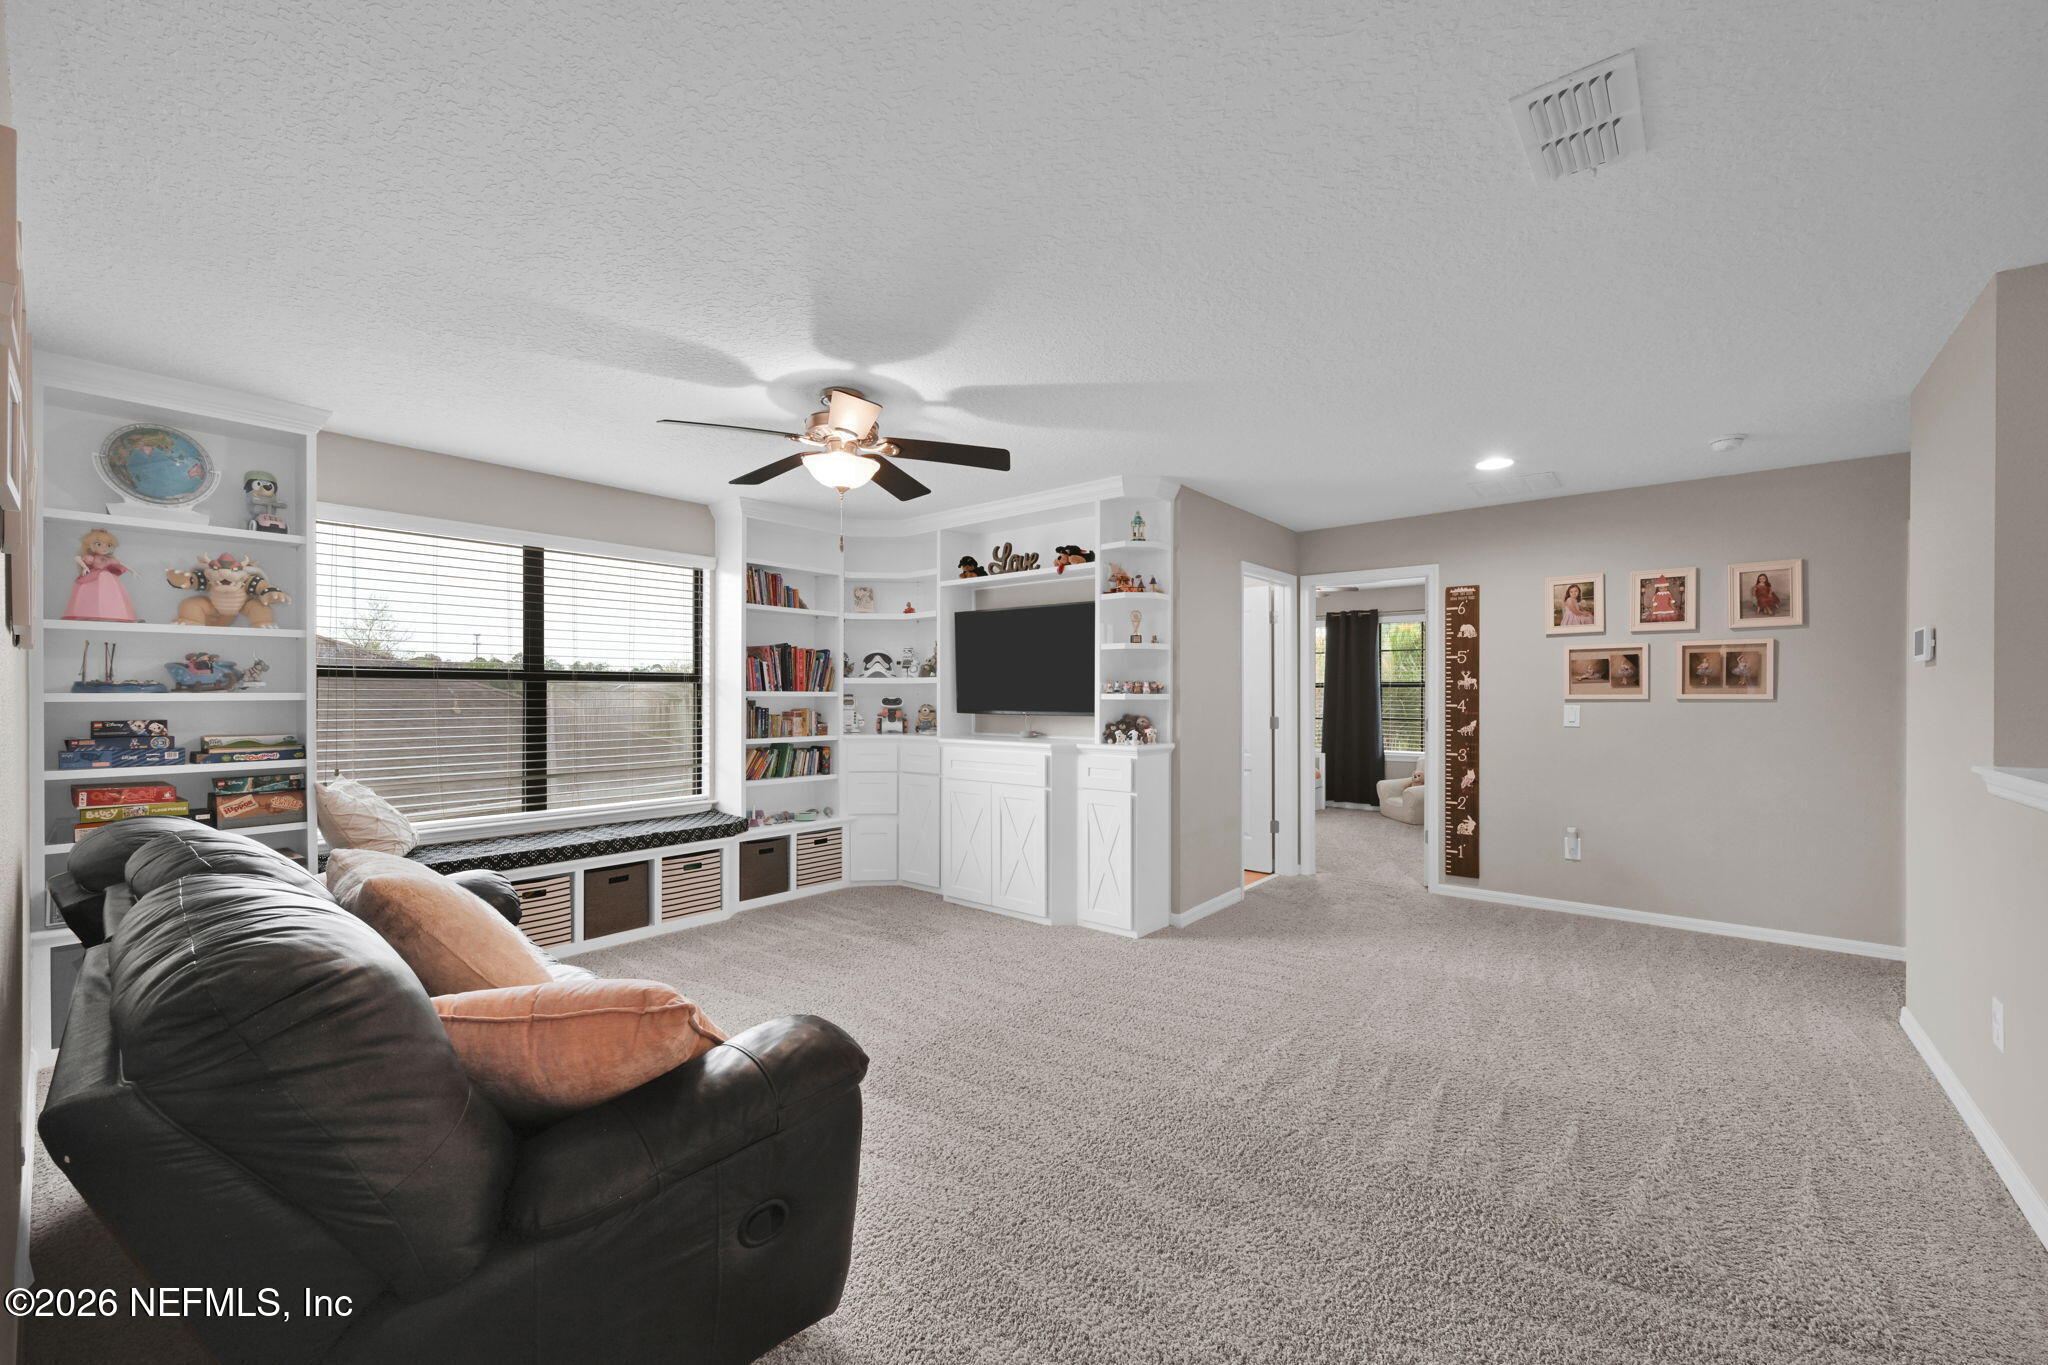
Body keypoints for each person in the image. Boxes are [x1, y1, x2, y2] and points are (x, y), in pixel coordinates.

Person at [62, 528, 139, 622]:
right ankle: (91, 613)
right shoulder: (93, 558)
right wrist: (85, 567)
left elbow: (121, 564)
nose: (104, 548)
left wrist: (133, 571)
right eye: (99, 544)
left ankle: (110, 613)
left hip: (108, 580)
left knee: (111, 596)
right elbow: (77, 558)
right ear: (90, 545)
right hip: (94, 577)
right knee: (91, 595)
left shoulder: (110, 560)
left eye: (109, 545)